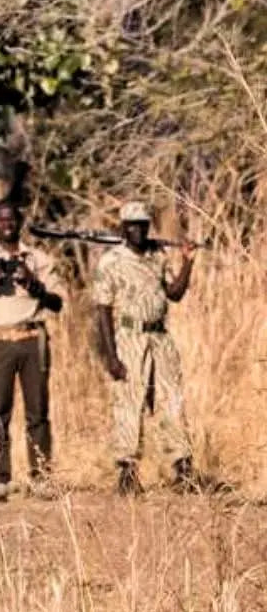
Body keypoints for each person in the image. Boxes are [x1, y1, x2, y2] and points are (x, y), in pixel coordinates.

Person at [91, 200, 198, 495]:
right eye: (132, 225)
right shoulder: (110, 261)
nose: (138, 230)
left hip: (160, 338)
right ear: (123, 228)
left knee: (171, 399)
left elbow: (174, 293)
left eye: (143, 224)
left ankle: (183, 467)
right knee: (129, 402)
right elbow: (102, 310)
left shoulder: (158, 255)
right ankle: (127, 471)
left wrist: (187, 262)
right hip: (129, 337)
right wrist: (111, 356)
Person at [0, 201, 64, 501]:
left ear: (19, 221)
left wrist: (34, 284)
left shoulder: (40, 259)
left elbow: (58, 303)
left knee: (38, 411)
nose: (6, 224)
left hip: (32, 336)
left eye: (11, 218)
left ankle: (41, 476)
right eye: (0, 219)